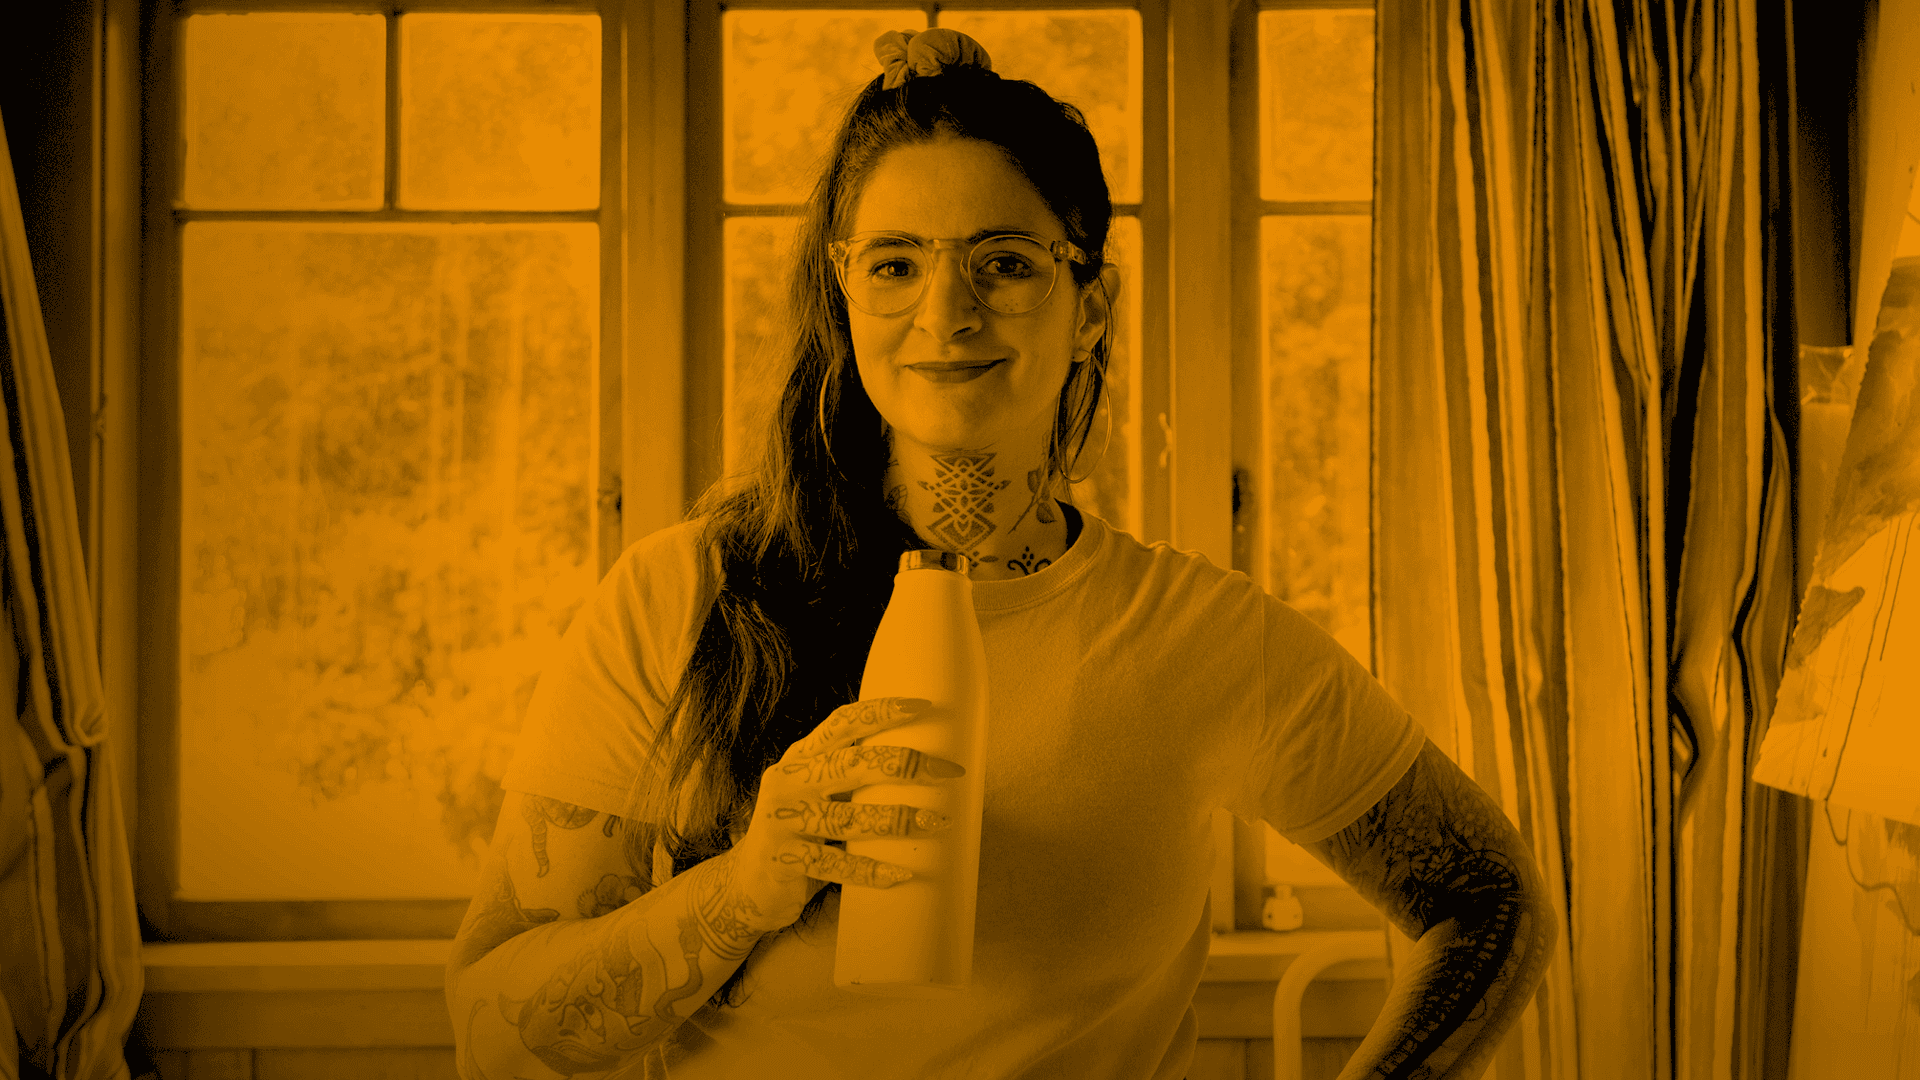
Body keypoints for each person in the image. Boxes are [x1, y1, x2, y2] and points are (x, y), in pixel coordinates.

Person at [446, 28, 1555, 1080]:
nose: (947, 314)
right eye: (895, 265)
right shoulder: (686, 597)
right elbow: (497, 1028)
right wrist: (745, 888)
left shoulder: (1201, 635)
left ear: (1090, 305)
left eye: (1006, 263)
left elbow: (1486, 900)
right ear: (842, 291)